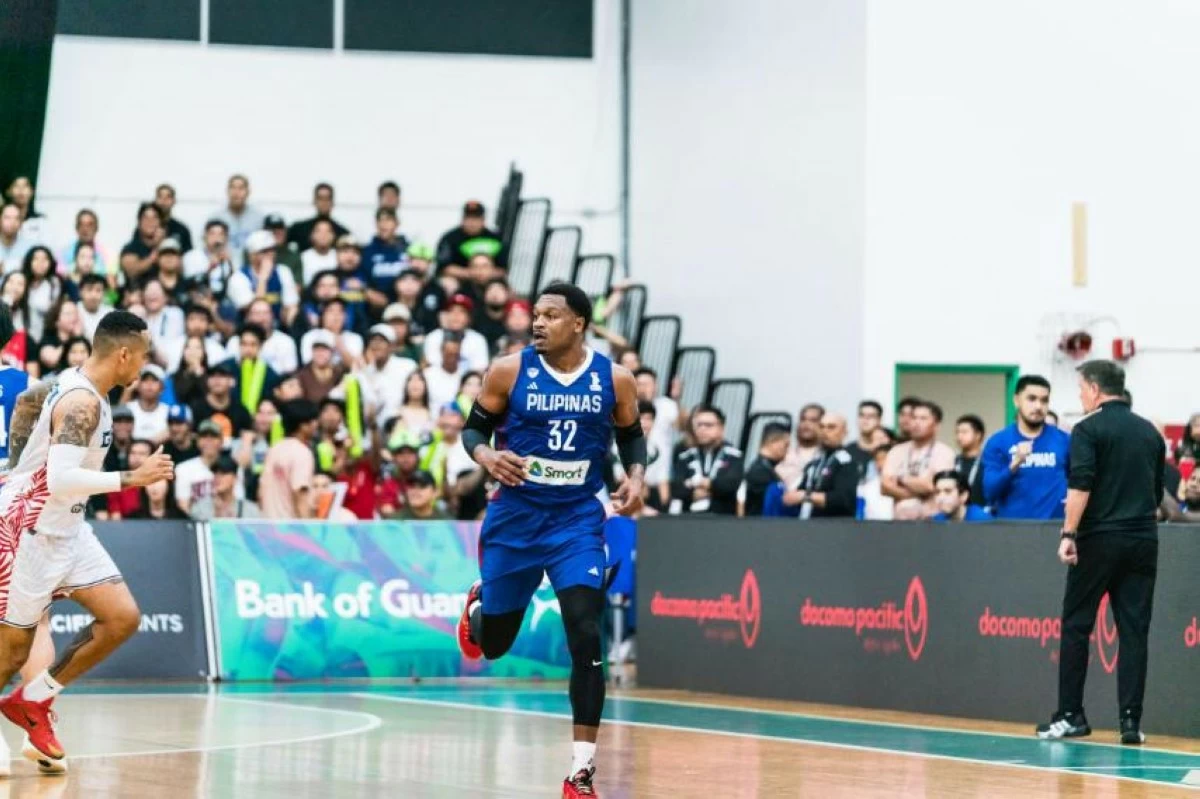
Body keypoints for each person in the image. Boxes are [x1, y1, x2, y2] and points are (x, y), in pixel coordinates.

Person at [453, 282, 644, 798]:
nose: (538, 323)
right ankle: (480, 607)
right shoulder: (508, 371)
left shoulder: (615, 378)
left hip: (575, 521)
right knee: (495, 645)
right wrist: (487, 456)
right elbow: (472, 431)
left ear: (578, 323)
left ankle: (580, 773)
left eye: (550, 315)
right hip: (516, 520)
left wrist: (636, 476)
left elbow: (630, 434)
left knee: (586, 630)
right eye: (536, 314)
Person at [0, 311, 174, 768]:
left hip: (70, 530)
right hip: (31, 532)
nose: (145, 366)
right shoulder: (82, 403)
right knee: (12, 651)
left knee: (122, 618)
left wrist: (17, 467)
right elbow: (59, 480)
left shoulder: (75, 383)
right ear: (123, 354)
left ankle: (32, 701)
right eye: (143, 356)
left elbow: (29, 405)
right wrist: (132, 478)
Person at [1036, 360, 1164, 746]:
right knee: (1134, 632)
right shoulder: (1150, 432)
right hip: (1143, 540)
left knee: (1077, 625)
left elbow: (1081, 484)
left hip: (1099, 540)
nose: (1080, 396)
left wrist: (1068, 533)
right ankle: (1130, 722)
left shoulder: (1087, 429)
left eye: (1080, 389)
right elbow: (1157, 494)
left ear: (1094, 389)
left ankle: (1071, 715)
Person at [981, 375, 1071, 520]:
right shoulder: (998, 442)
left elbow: (1080, 482)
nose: (1038, 406)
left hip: (1054, 527)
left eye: (1044, 400)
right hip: (1013, 528)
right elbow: (989, 492)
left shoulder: (1064, 440)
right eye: (1031, 399)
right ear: (1016, 400)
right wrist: (1014, 465)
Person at [881, 400, 956, 520]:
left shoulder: (945, 453)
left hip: (932, 522)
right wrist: (919, 492)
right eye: (914, 418)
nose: (916, 423)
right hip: (899, 523)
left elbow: (932, 486)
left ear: (936, 425)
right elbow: (885, 487)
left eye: (923, 419)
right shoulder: (896, 451)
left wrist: (900, 478)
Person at [671, 405, 744, 515]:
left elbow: (730, 484)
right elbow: (675, 487)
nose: (702, 429)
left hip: (722, 519)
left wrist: (703, 483)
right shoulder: (685, 456)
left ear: (721, 428)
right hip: (688, 519)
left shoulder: (733, 455)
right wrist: (692, 493)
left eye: (708, 425)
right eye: (699, 425)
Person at [789, 413, 858, 519]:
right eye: (821, 427)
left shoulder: (847, 462)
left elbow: (844, 499)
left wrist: (806, 496)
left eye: (831, 427)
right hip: (808, 523)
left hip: (835, 524)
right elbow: (798, 494)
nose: (825, 431)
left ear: (844, 432)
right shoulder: (813, 464)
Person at [260, 400, 319, 519]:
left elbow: (260, 492)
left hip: (268, 525)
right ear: (303, 426)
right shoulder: (302, 453)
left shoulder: (274, 449)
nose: (316, 425)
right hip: (291, 527)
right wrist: (308, 527)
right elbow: (300, 494)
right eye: (313, 421)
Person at [226, 230, 299, 326]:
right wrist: (263, 279)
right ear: (252, 255)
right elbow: (254, 308)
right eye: (264, 251)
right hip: (249, 328)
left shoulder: (283, 271)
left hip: (278, 325)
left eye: (272, 250)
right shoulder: (238, 277)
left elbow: (291, 305)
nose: (270, 254)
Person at [436, 200, 506, 278]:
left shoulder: (494, 238)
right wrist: (472, 274)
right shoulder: (450, 238)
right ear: (462, 219)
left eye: (476, 218)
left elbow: (502, 269)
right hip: (458, 279)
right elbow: (444, 267)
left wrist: (484, 274)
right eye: (468, 218)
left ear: (483, 220)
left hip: (489, 279)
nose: (472, 222)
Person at [423, 294, 490, 373]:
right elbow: (431, 369)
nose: (456, 315)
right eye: (451, 311)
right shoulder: (433, 337)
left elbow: (480, 371)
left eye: (462, 312)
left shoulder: (478, 340)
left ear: (469, 317)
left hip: (468, 380)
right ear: (445, 315)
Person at [211, 174, 265, 266]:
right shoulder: (216, 218)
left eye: (241, 188)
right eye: (233, 188)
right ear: (227, 191)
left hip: (251, 267)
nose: (236, 192)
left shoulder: (258, 218)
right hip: (224, 266)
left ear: (248, 192)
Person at [174, 420, 225, 514]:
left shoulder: (232, 469)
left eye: (214, 436)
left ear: (222, 441)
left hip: (225, 521)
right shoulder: (183, 469)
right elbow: (183, 506)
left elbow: (236, 502)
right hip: (195, 520)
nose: (209, 441)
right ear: (197, 441)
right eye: (204, 436)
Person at [189, 455, 259, 521]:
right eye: (215, 473)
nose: (217, 477)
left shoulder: (250, 510)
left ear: (235, 478)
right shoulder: (200, 508)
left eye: (223, 473)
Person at [742, 423, 790, 517]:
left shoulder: (765, 469)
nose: (787, 450)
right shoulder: (760, 473)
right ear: (773, 442)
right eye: (786, 445)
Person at [287, 183, 350, 251]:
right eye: (320, 198)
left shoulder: (343, 234)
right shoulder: (298, 230)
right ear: (314, 201)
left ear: (332, 202)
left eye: (327, 199)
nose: (324, 202)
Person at [776, 403, 824, 488]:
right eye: (803, 419)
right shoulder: (783, 453)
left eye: (813, 420)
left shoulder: (826, 457)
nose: (806, 424)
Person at [954, 414, 987, 506]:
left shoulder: (988, 462)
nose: (959, 436)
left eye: (964, 432)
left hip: (981, 511)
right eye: (957, 432)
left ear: (978, 435)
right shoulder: (954, 461)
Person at [846, 400, 883, 480]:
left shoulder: (888, 450)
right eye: (861, 415)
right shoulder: (847, 451)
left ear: (879, 420)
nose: (865, 419)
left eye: (871, 416)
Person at [151, 183, 193, 253]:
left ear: (174, 201)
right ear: (155, 200)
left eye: (168, 197)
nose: (163, 201)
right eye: (160, 196)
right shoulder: (145, 228)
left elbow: (188, 255)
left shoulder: (182, 229)